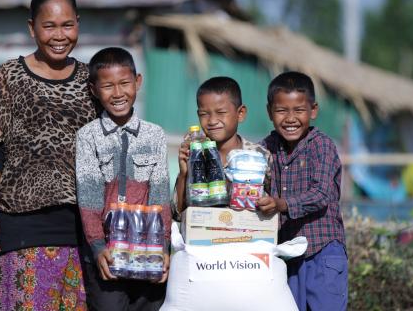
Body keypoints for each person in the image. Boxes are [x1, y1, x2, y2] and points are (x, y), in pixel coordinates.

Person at [0, 0, 97, 309]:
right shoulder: (8, 77)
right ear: (32, 28)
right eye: (49, 26)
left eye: (67, 25)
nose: (59, 35)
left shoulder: (91, 81)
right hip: (21, 226)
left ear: (78, 24)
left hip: (82, 231)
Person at [76, 47, 171, 311]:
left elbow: (160, 194)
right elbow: (89, 197)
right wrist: (96, 247)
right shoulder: (88, 136)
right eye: (107, 86)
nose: (118, 93)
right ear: (94, 90)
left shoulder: (154, 134)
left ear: (138, 82)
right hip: (107, 251)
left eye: (124, 83)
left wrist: (163, 247)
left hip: (148, 250)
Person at [257, 71, 348, 311]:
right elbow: (248, 176)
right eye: (281, 110)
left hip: (323, 252)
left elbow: (320, 195)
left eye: (298, 110)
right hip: (287, 256)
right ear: (269, 112)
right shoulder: (266, 147)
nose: (290, 118)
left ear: (313, 110)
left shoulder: (322, 145)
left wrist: (280, 204)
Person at [172, 76, 271, 218]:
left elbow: (273, 205)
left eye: (221, 113)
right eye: (204, 114)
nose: (212, 121)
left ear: (240, 114)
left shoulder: (258, 156)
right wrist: (184, 174)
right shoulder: (196, 154)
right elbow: (178, 213)